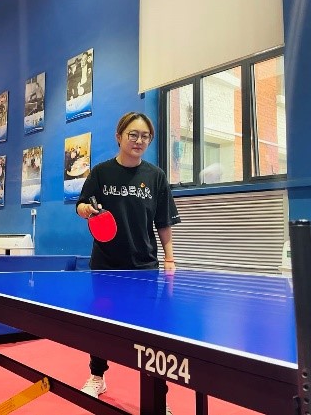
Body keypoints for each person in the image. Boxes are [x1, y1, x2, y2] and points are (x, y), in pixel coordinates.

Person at [75, 112, 180, 413]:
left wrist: (170, 258)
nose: (139, 140)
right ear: (119, 136)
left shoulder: (156, 177)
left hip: (144, 265)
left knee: (152, 333)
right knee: (102, 324)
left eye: (145, 136)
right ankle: (97, 377)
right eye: (133, 134)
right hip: (106, 264)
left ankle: (158, 394)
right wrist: (86, 211)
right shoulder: (101, 173)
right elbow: (81, 204)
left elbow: (163, 222)